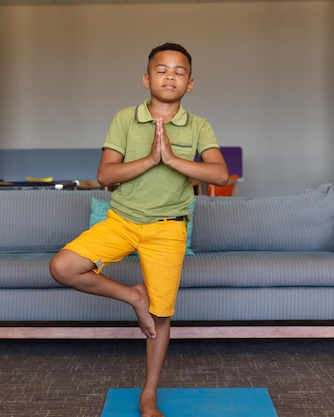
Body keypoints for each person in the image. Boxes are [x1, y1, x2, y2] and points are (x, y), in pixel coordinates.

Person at [49, 42, 229, 417]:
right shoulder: (125, 119)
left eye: (179, 72)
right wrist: (150, 159)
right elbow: (104, 176)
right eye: (162, 70)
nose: (170, 76)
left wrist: (174, 159)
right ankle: (134, 296)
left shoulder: (199, 126)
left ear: (190, 84)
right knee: (63, 267)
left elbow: (219, 173)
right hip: (122, 222)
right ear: (147, 78)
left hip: (168, 229)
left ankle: (149, 396)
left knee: (161, 315)